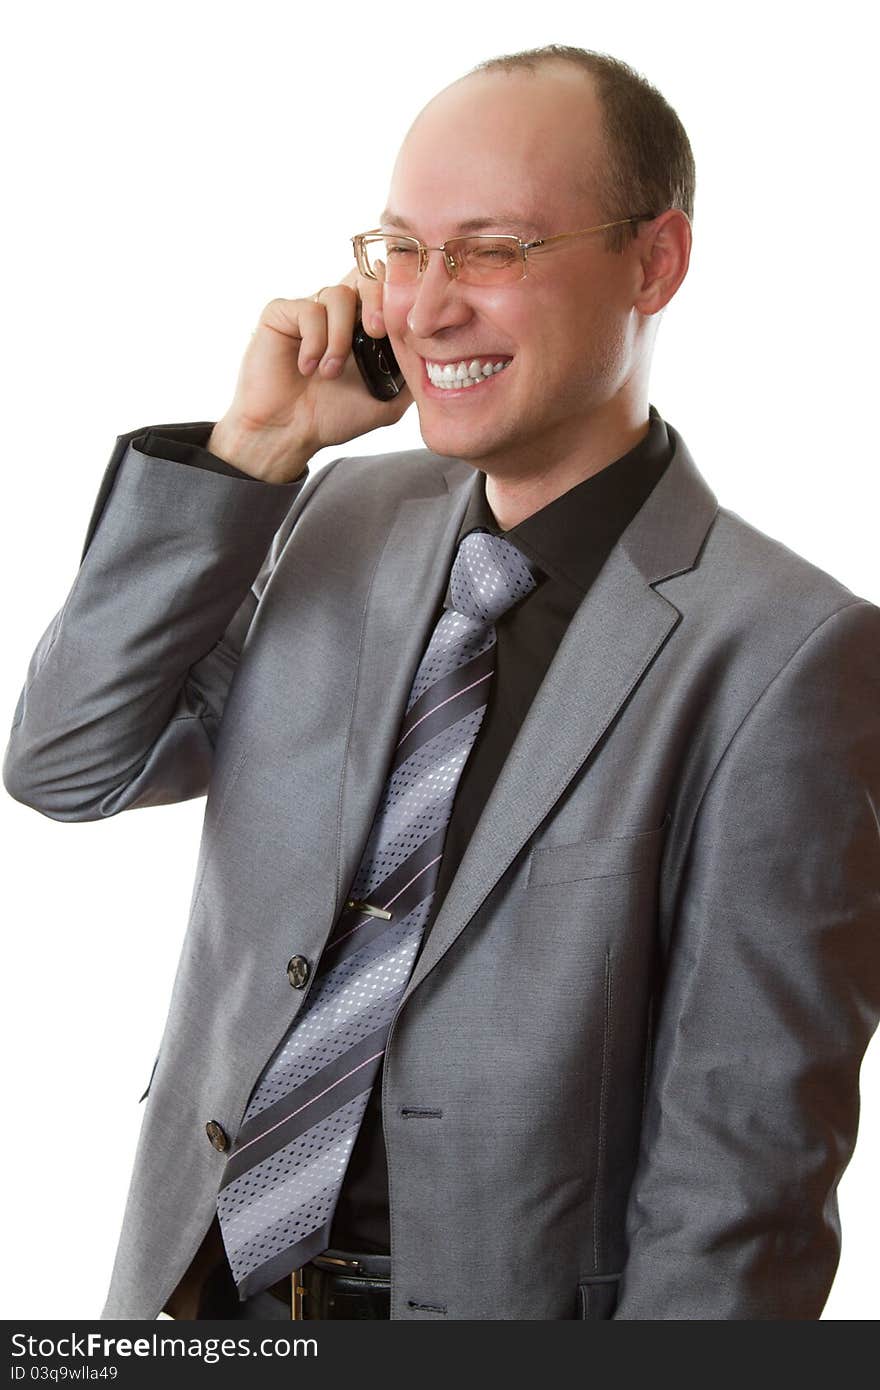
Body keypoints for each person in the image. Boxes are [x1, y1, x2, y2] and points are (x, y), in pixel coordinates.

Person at [4, 43, 879, 1322]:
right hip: (197, 1301)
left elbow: (738, 1173)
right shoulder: (328, 519)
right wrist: (252, 457)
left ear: (655, 262)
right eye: (401, 250)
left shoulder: (786, 653)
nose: (422, 308)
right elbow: (67, 762)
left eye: (492, 250)